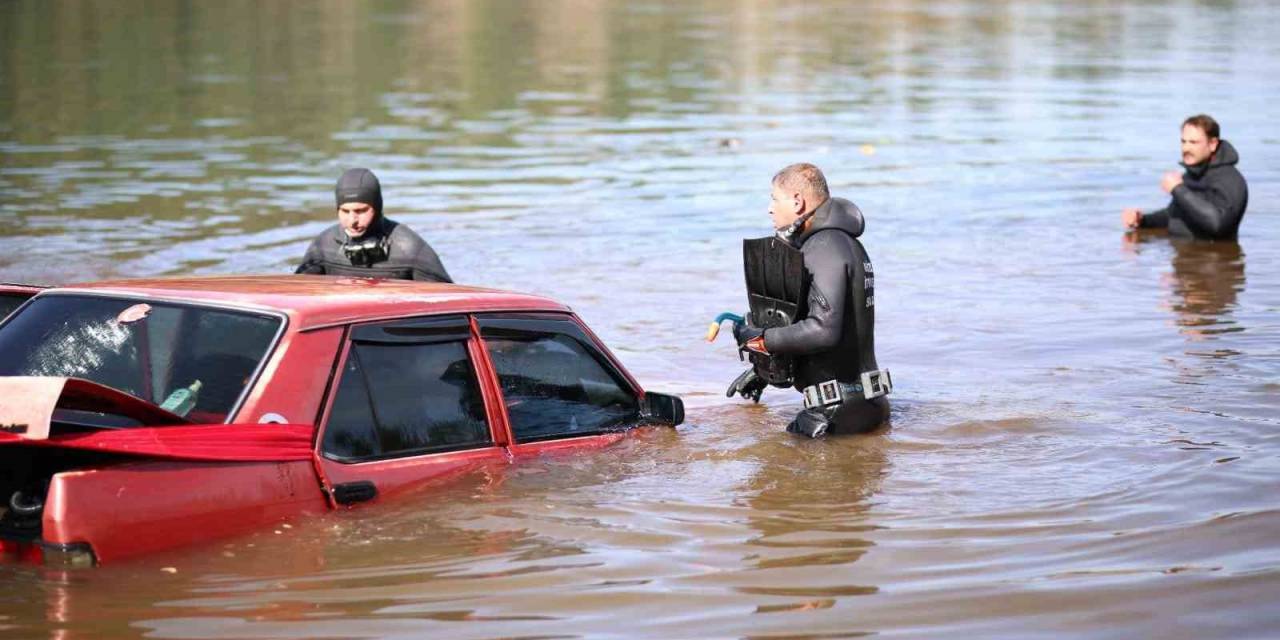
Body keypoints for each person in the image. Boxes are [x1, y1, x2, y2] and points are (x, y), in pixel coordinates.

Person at [727, 163, 891, 438]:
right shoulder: (845, 245)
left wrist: (758, 339)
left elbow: (823, 331)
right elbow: (834, 332)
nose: (770, 208)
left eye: (774, 199)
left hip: (835, 415)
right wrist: (764, 371)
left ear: (797, 201)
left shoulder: (823, 247)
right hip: (864, 406)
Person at [295, 168, 452, 282]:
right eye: (345, 211)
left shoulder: (409, 248)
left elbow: (449, 303)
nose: (352, 221)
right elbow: (296, 295)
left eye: (361, 211)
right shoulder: (324, 245)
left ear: (377, 208)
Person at [1122, 114, 1248, 240]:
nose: (1186, 148)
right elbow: (1174, 216)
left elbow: (1218, 225)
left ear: (1212, 144)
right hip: (1182, 254)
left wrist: (1178, 189)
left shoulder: (1230, 180)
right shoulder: (1191, 175)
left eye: (1193, 142)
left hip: (1214, 258)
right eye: (1183, 141)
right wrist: (1143, 220)